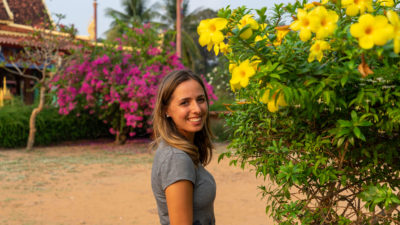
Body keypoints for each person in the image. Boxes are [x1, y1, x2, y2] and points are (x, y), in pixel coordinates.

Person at [151, 69, 216, 225]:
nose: (197, 109)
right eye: (184, 102)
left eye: (200, 99)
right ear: (166, 110)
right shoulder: (176, 158)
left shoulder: (180, 150)